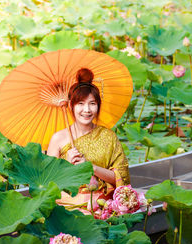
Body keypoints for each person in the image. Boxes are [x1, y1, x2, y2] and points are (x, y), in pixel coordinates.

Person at [47, 68, 130, 214]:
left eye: (92, 103)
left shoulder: (108, 137)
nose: (87, 110)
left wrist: (91, 167)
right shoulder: (58, 139)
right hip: (69, 208)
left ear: (98, 105)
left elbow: (121, 178)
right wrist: (66, 166)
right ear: (71, 106)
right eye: (80, 103)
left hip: (104, 206)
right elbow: (48, 184)